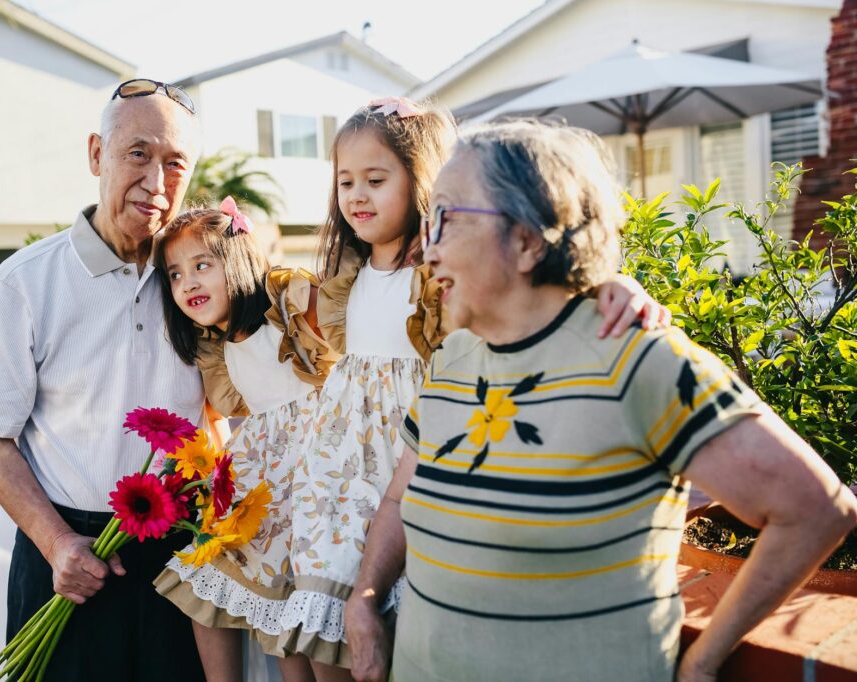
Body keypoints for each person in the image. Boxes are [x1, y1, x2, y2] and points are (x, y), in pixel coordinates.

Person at [344, 119, 857, 682]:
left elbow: (815, 510)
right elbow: (401, 499)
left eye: (444, 218)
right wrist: (364, 598)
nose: (427, 248)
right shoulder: (453, 360)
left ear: (526, 238)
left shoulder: (639, 360)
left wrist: (702, 663)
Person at [276, 98, 672, 681]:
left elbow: (536, 290)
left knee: (383, 625)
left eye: (376, 179)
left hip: (402, 454)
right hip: (335, 469)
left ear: (423, 182)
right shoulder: (345, 279)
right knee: (315, 624)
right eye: (346, 181)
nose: (357, 195)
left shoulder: (440, 273)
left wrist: (614, 283)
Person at [0, 79, 209, 680]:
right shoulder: (26, 281)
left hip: (182, 558)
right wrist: (56, 544)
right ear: (97, 154)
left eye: (176, 164)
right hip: (68, 560)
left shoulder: (200, 281)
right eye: (137, 154)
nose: (157, 182)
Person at [151, 199, 338, 682]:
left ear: (236, 259)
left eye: (202, 265)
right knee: (252, 599)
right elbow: (227, 410)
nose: (187, 282)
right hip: (268, 489)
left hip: (321, 473)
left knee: (314, 616)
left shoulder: (285, 306)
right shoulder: (217, 347)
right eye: (174, 274)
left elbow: (340, 344)